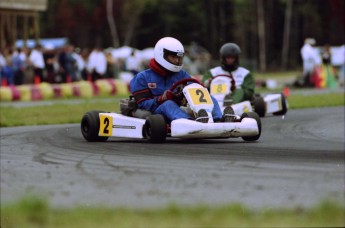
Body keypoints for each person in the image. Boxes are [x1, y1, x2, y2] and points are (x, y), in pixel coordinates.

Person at [130, 37, 233, 123]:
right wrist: (161, 99)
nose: (177, 60)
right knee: (168, 104)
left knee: (210, 98)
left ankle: (218, 120)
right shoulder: (143, 77)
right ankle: (189, 122)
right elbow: (142, 104)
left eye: (179, 57)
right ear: (162, 55)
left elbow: (195, 88)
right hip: (156, 113)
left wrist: (202, 88)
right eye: (173, 57)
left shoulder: (182, 74)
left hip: (180, 109)